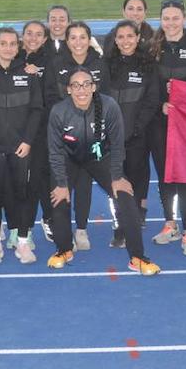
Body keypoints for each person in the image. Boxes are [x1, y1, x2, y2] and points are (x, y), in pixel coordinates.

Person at [46, 67, 160, 276]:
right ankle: (64, 250)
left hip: (100, 158)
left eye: (86, 84)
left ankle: (137, 257)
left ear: (94, 86)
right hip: (69, 159)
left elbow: (117, 145)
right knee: (58, 198)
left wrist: (117, 177)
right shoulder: (59, 111)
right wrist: (61, 183)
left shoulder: (109, 106)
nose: (82, 89)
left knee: (125, 197)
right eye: (76, 85)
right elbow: (54, 151)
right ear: (69, 90)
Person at [0, 27, 44, 263]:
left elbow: (36, 111)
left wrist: (28, 141)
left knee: (21, 193)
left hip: (20, 147)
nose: (8, 47)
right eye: (3, 43)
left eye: (13, 43)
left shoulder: (29, 72)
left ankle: (22, 242)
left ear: (18, 46)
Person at [44, 21, 111, 250]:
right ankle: (63, 235)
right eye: (73, 37)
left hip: (90, 137)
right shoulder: (56, 64)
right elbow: (50, 97)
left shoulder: (100, 64)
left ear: (89, 39)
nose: (78, 42)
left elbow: (106, 98)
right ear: (67, 40)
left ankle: (81, 229)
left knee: (85, 184)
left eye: (83, 37)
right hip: (65, 136)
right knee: (62, 183)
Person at [149, 0, 186, 253]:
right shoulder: (153, 48)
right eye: (166, 18)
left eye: (175, 18)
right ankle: (169, 223)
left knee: (185, 176)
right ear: (160, 21)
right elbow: (149, 87)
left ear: (185, 18)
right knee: (165, 176)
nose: (171, 23)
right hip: (161, 122)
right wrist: (161, 102)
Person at [104, 20, 160, 248]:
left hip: (137, 137)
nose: (125, 41)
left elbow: (152, 100)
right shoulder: (106, 64)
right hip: (111, 137)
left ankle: (132, 224)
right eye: (121, 37)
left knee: (135, 182)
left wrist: (136, 129)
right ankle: (120, 225)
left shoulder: (148, 64)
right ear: (115, 40)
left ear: (138, 38)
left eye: (130, 36)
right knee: (116, 182)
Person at [21, 20, 55, 240]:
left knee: (42, 176)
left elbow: (51, 96)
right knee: (18, 179)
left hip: (41, 130)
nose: (33, 38)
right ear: (22, 35)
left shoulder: (50, 61)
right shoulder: (11, 56)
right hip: (14, 130)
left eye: (38, 34)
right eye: (29, 33)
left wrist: (36, 78)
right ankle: (21, 224)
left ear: (45, 39)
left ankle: (47, 218)